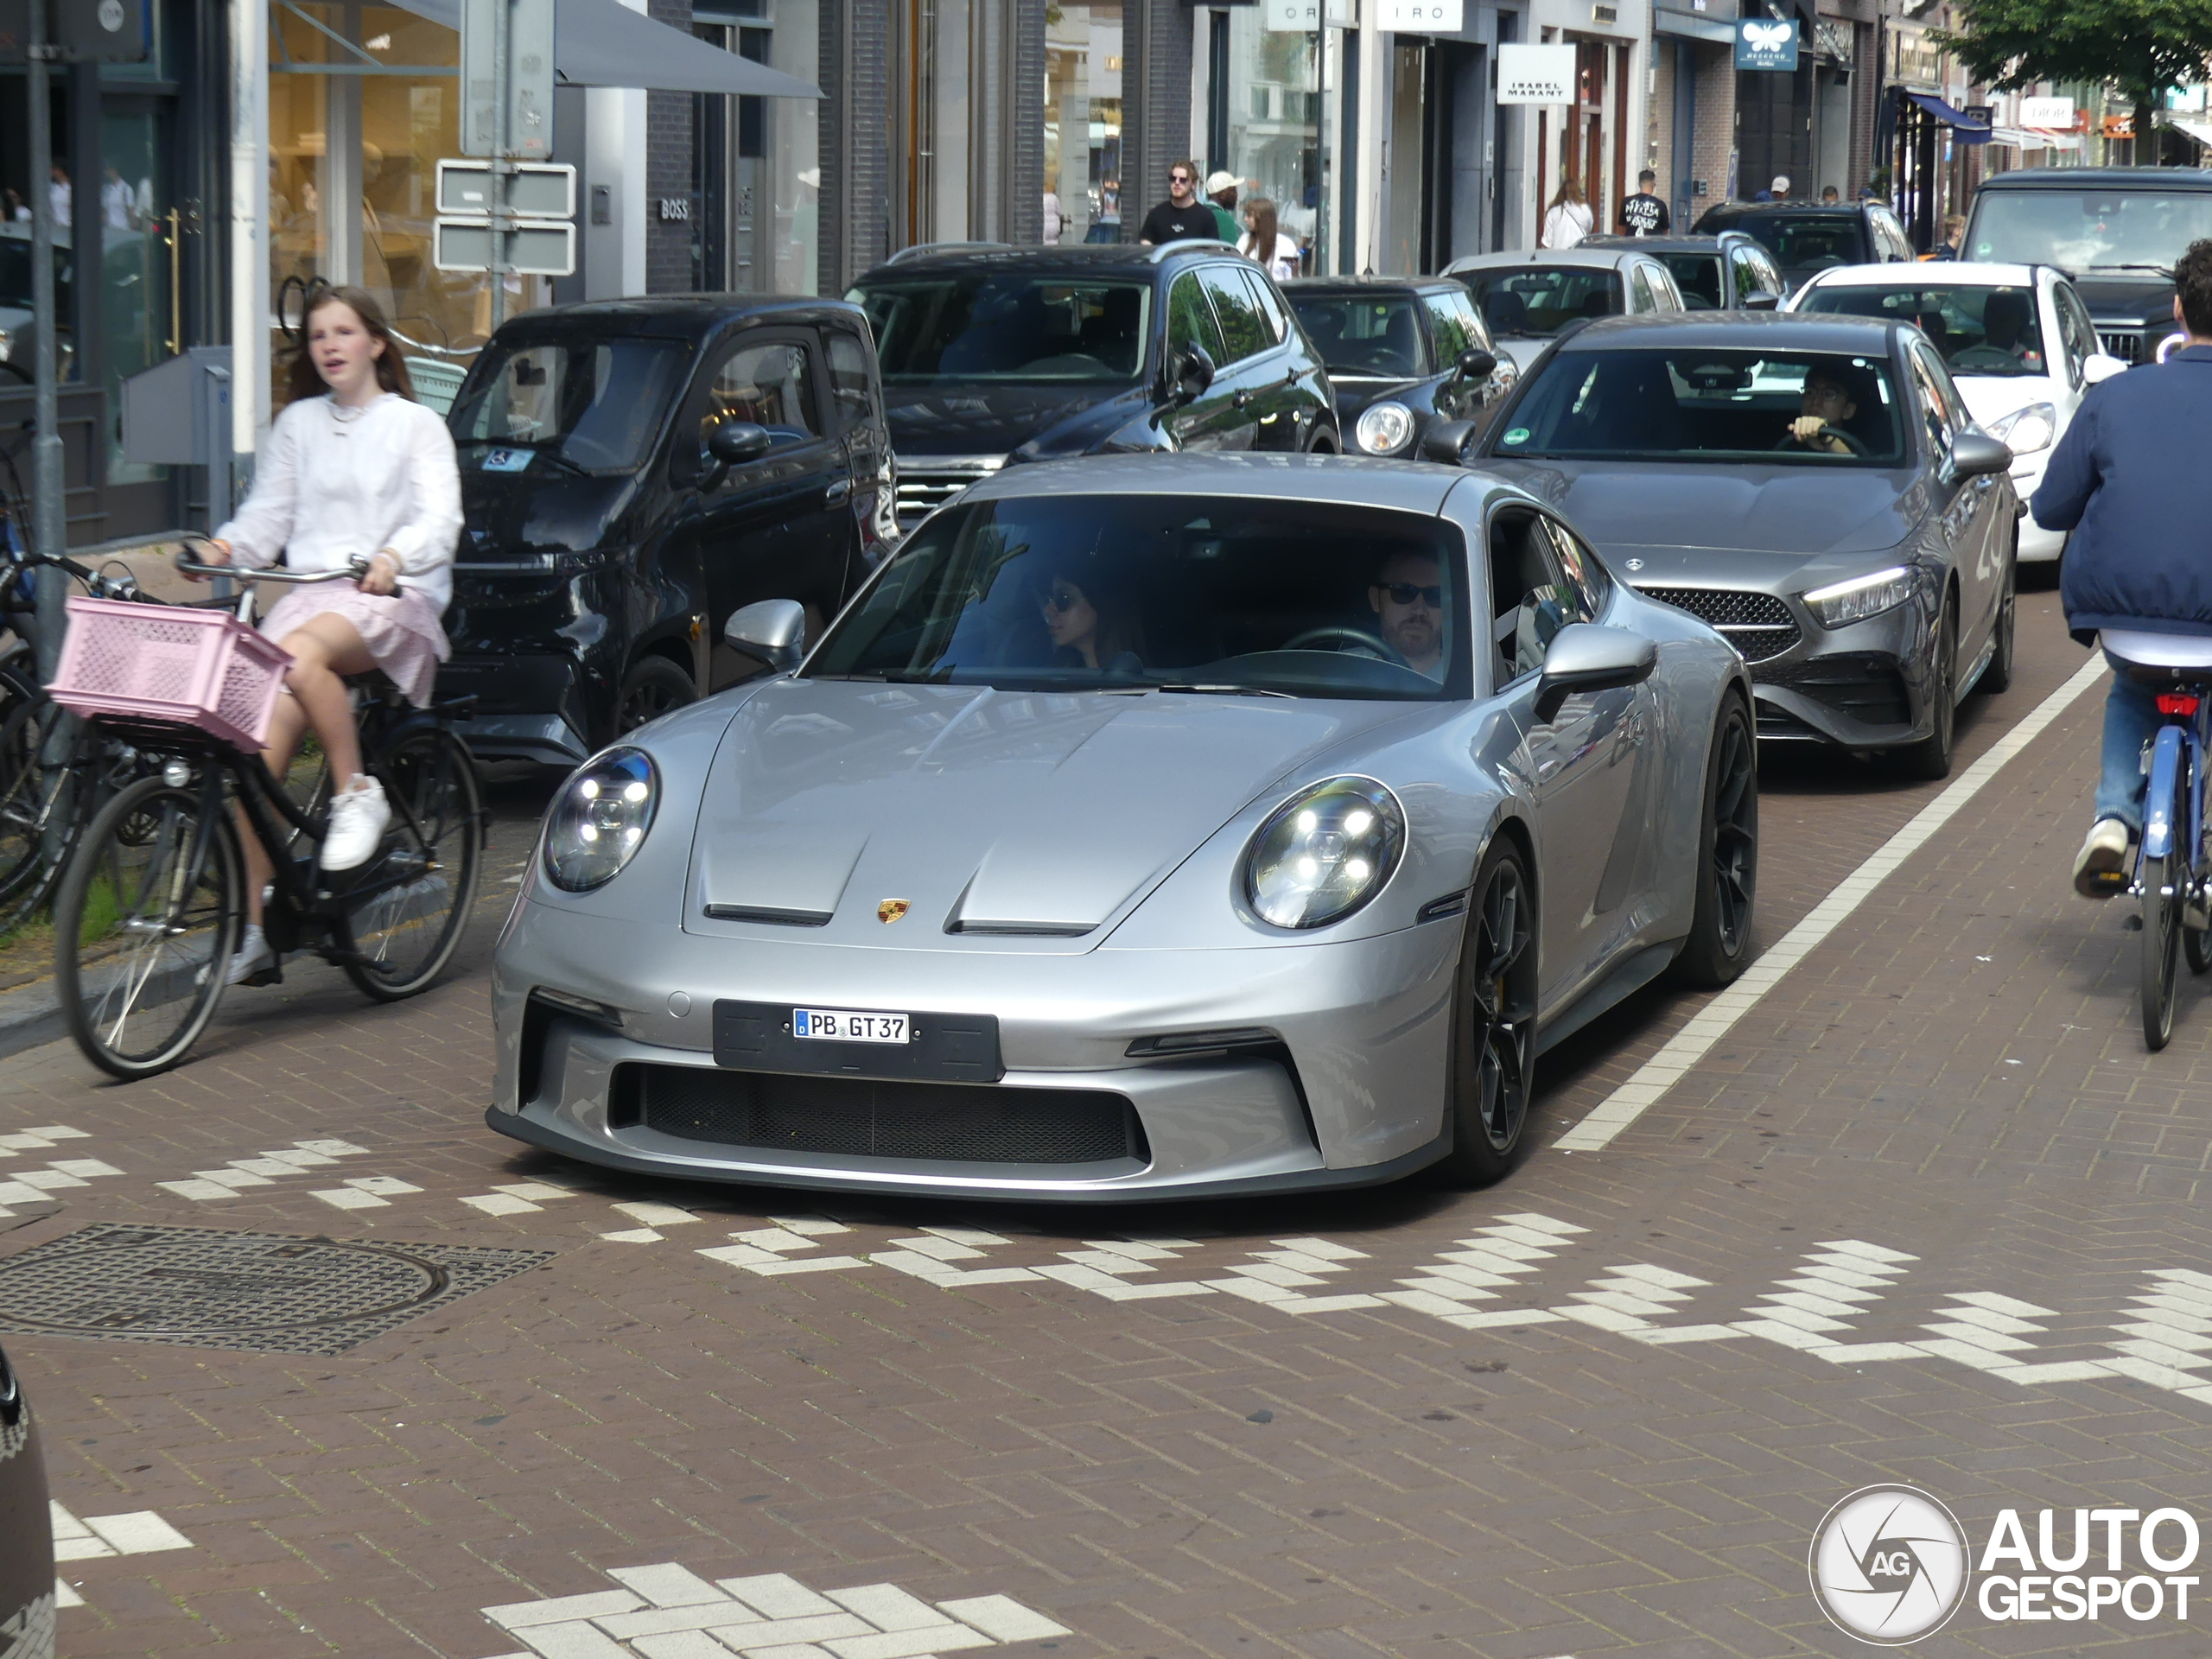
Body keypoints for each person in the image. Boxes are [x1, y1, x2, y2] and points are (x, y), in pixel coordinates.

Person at [194, 285, 462, 982]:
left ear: (376, 342)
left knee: (303, 652)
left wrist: (394, 557)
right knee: (258, 758)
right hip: (309, 601)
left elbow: (440, 520)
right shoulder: (298, 425)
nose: (330, 346)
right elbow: (266, 516)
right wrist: (223, 550)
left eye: (344, 332)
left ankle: (356, 794)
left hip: (388, 598)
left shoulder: (414, 426)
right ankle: (256, 928)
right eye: (318, 337)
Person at [2041, 241, 2212, 895]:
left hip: (2127, 621)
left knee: (2134, 691)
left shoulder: (2115, 396)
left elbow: (2053, 508)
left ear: (2177, 310)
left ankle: (2113, 817)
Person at [1040, 567, 1144, 672]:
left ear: (1100, 604)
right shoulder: (1047, 677)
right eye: (1050, 598)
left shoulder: (1149, 684)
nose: (1047, 610)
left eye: (1064, 598)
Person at [1369, 550, 1447, 679]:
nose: (1419, 610)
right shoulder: (1341, 668)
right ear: (1375, 599)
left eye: (1434, 595)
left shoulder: (1471, 681)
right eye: (1403, 592)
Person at [1783, 365, 1866, 454]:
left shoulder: (1861, 450)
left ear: (1848, 410)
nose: (1816, 401)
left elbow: (1854, 467)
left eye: (1829, 394)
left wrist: (1825, 436)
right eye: (1810, 392)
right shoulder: (1785, 443)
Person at [1139, 162, 1223, 246]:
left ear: (1193, 185)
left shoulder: (1206, 217)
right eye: (1173, 178)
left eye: (1183, 180)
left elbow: (1214, 250)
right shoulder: (1156, 214)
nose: (1177, 183)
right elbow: (1145, 245)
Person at [1237, 197, 1299, 282]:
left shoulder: (1286, 245)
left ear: (1262, 218)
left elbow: (1293, 277)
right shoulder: (1244, 240)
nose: (1246, 219)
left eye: (1249, 216)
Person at [1541, 178, 1592, 251]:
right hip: (1579, 254)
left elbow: (1547, 241)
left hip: (1558, 256)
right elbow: (1589, 228)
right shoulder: (1585, 209)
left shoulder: (1553, 212)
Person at [1619, 169, 1669, 237]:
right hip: (1652, 245)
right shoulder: (1660, 204)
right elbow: (1665, 231)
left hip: (1631, 244)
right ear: (1653, 184)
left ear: (1639, 184)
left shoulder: (1626, 202)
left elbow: (1622, 228)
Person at [1204, 170, 1243, 242]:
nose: (1236, 195)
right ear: (1222, 195)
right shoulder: (1224, 218)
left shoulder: (1198, 212)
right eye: (1233, 191)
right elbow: (1232, 250)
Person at [48, 164, 71, 229]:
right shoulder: (52, 188)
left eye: (53, 169)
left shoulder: (71, 188)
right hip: (55, 227)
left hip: (68, 227)